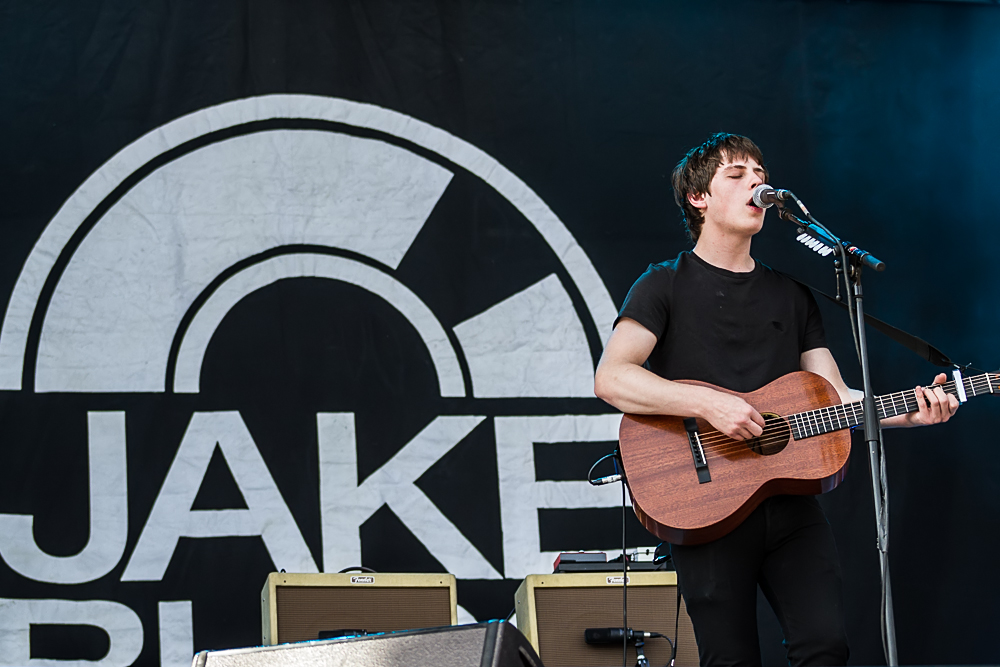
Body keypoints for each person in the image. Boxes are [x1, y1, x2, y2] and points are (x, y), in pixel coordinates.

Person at [593, 133, 960, 667]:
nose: (757, 183)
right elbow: (612, 379)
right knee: (730, 659)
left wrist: (909, 412)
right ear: (699, 198)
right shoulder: (662, 285)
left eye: (760, 174)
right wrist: (708, 405)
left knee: (826, 647)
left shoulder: (791, 294)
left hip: (791, 505)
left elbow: (835, 398)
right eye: (737, 175)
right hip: (704, 503)